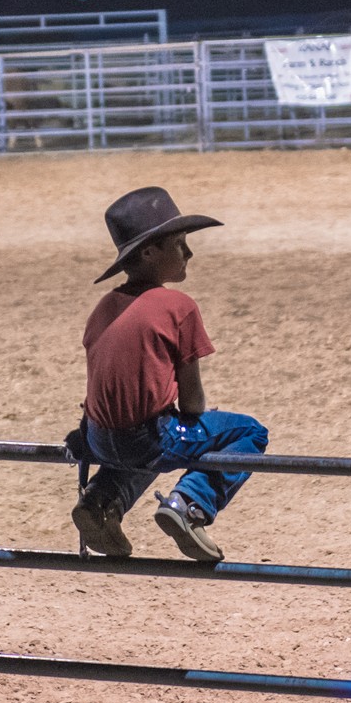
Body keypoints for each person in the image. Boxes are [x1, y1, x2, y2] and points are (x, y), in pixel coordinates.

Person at [65, 187, 268, 561]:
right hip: (146, 438)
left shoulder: (104, 307)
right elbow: (192, 403)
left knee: (145, 446)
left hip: (96, 437)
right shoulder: (178, 307)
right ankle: (189, 504)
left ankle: (101, 500)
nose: (188, 253)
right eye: (178, 244)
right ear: (148, 253)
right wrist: (194, 418)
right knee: (248, 432)